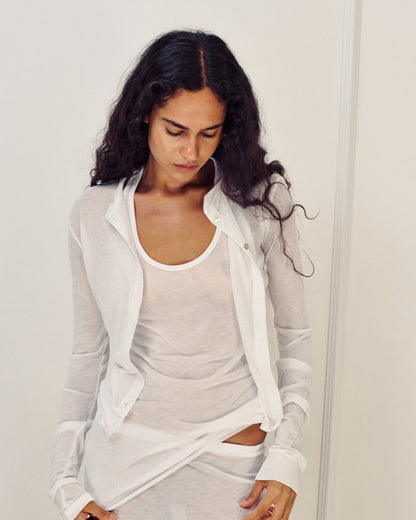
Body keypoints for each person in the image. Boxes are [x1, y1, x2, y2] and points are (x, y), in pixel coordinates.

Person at [49, 29, 312, 520]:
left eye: (209, 133)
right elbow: (88, 354)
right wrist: (65, 483)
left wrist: (287, 456)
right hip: (122, 467)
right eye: (176, 130)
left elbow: (294, 336)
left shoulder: (259, 202)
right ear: (145, 114)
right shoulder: (95, 214)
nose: (191, 152)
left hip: (234, 466)